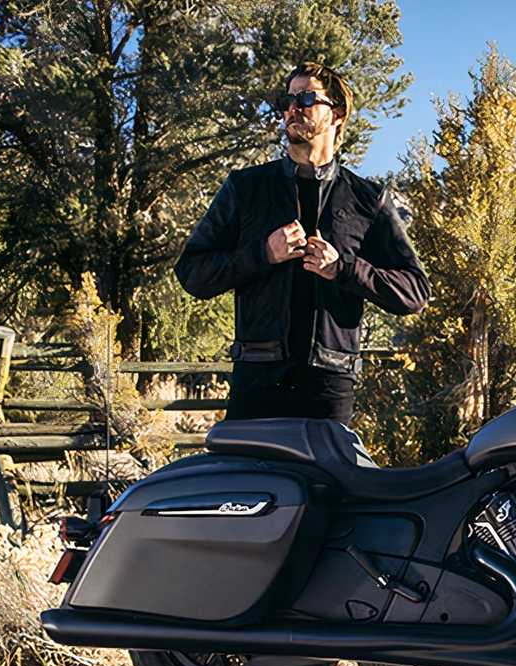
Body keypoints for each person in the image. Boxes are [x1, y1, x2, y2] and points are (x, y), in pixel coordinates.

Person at [175, 61, 429, 425]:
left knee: (324, 485)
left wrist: (342, 268)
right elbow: (191, 273)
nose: (293, 108)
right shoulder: (245, 189)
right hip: (257, 380)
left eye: (307, 98)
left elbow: (414, 292)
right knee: (248, 484)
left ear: (337, 114)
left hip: (329, 386)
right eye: (288, 100)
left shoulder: (367, 200)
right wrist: (263, 253)